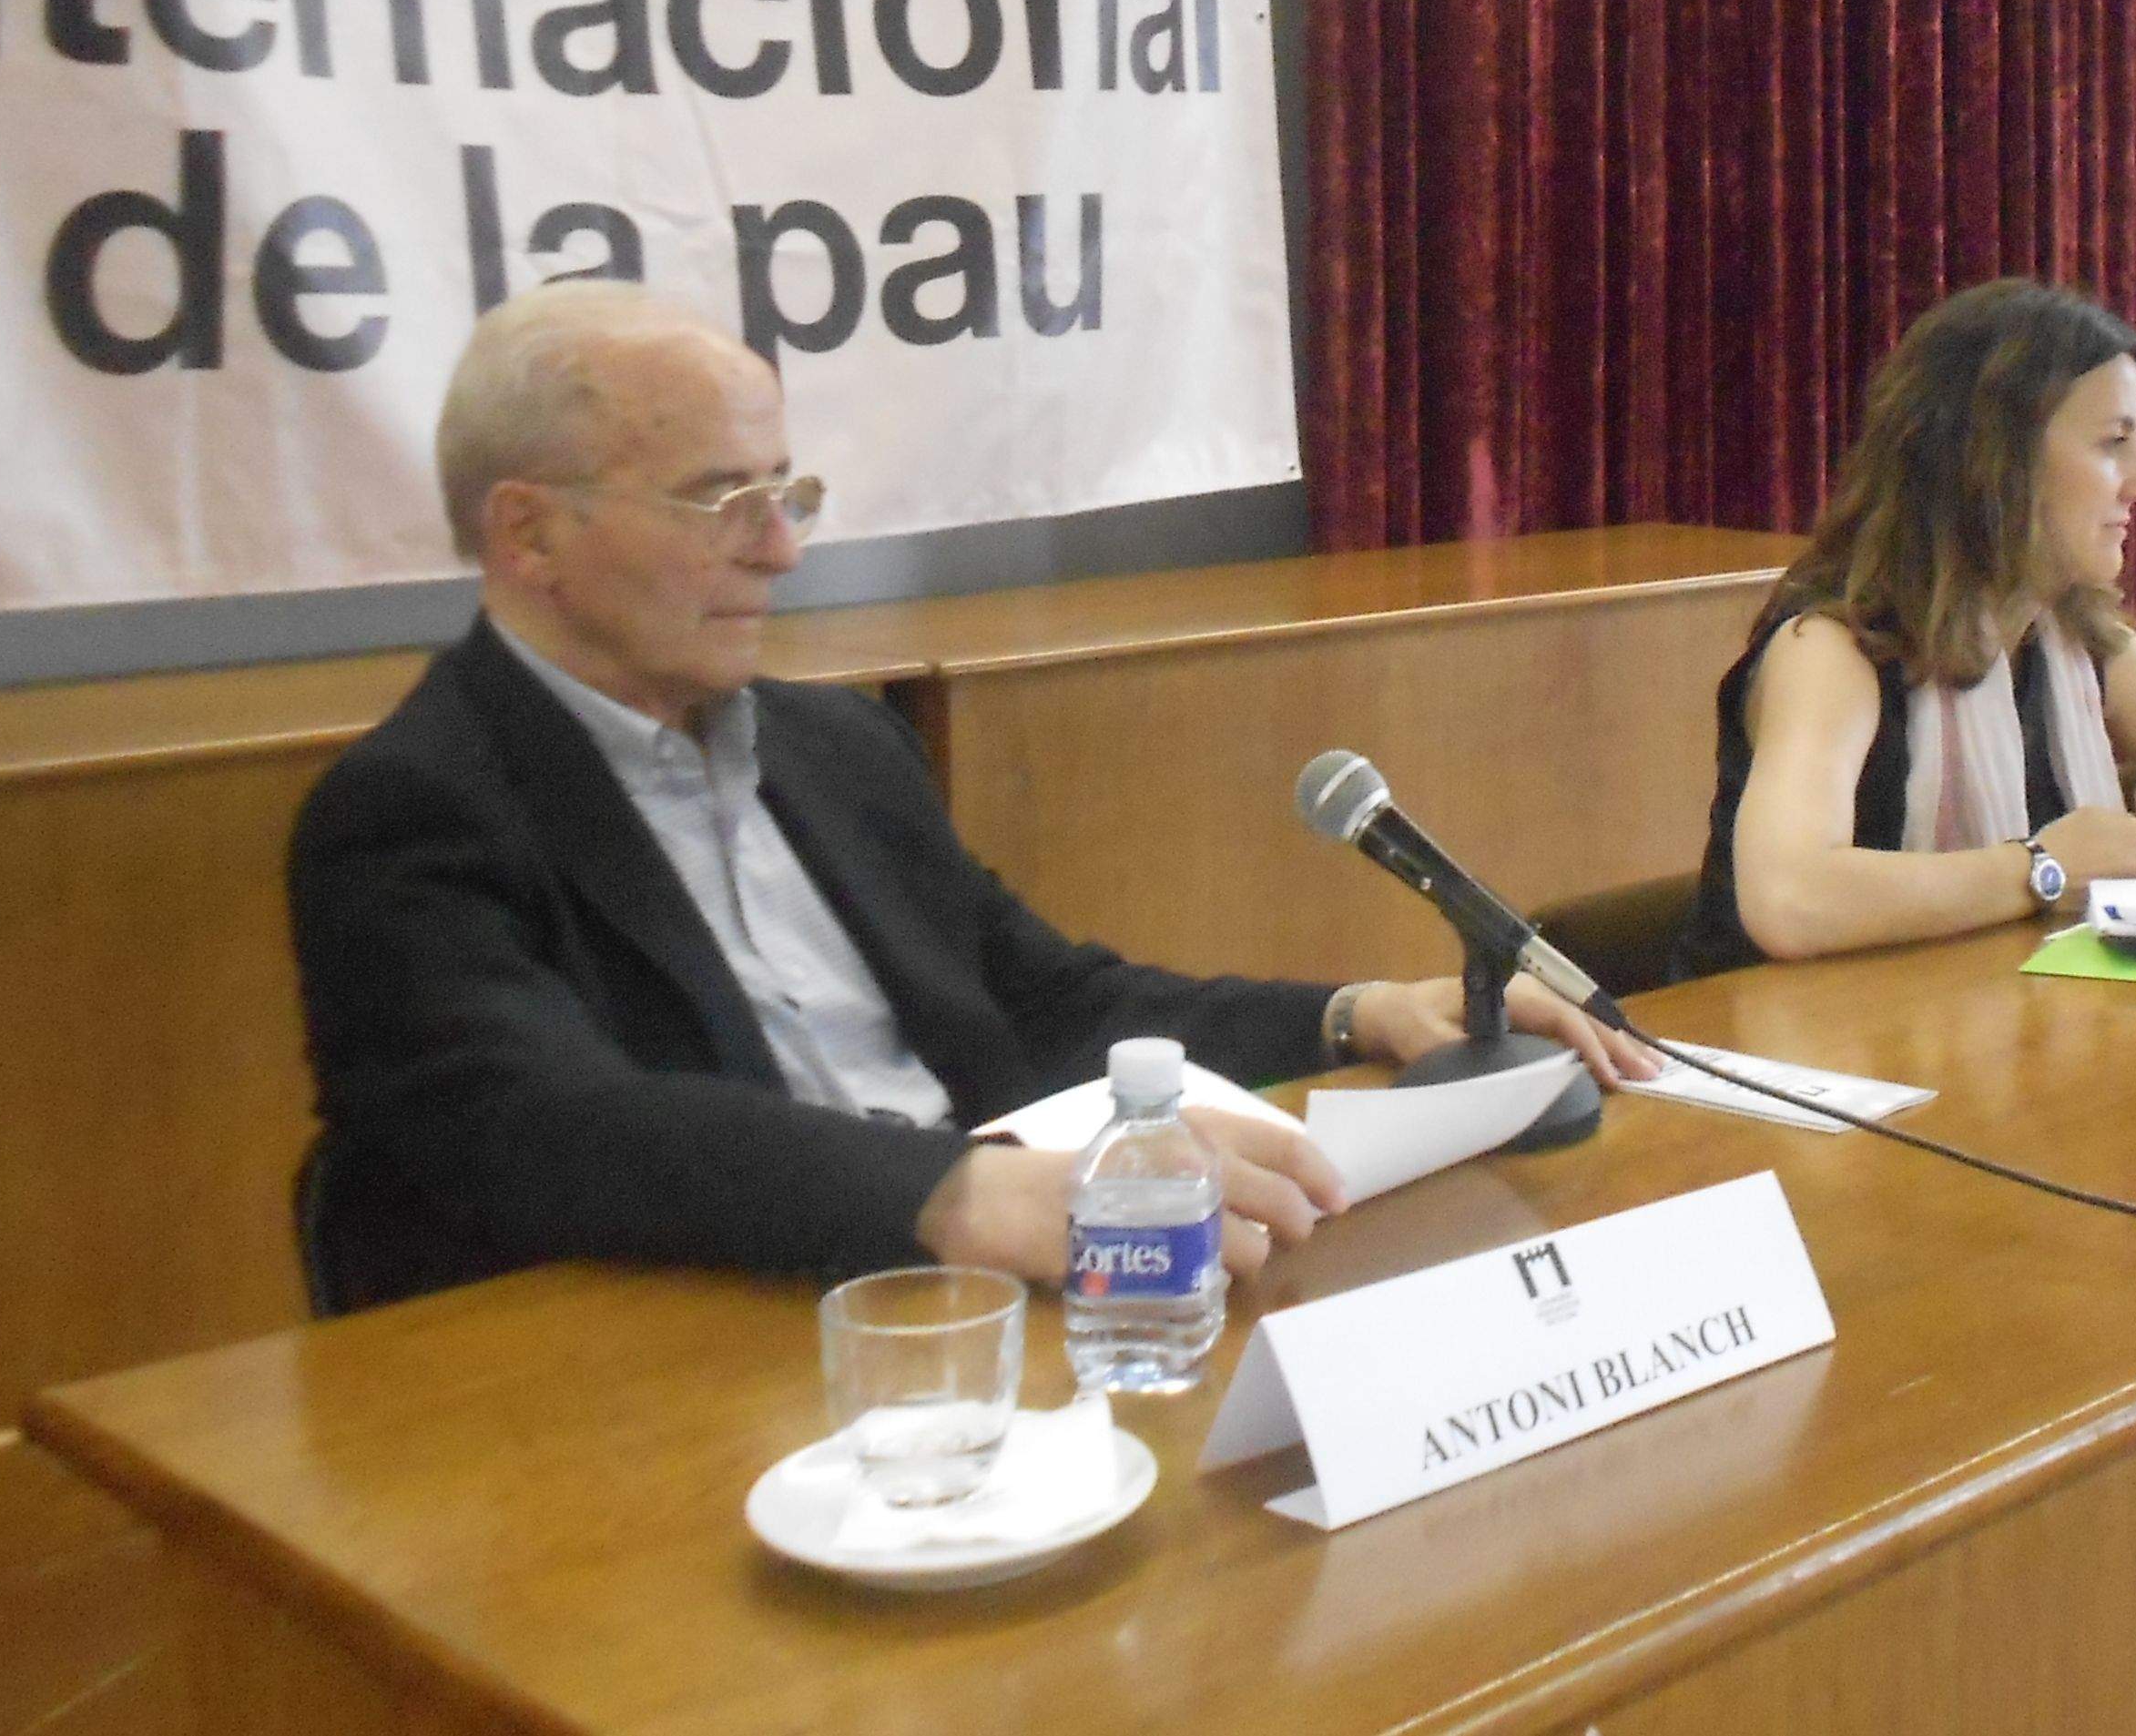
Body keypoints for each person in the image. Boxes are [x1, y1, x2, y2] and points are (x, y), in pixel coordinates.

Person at [290, 283, 1650, 1315]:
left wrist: (1356, 1013)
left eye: (787, 494)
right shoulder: (412, 809)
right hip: (701, 1333)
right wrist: (958, 1192)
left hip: (992, 1301)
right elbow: (549, 1131)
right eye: (722, 502)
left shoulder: (836, 748)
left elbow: (1047, 1001)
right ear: (528, 531)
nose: (781, 550)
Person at [1676, 279, 2136, 981]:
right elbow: (1788, 900)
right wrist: (2043, 868)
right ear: (1995, 460)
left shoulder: (2070, 637)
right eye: (2114, 443)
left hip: (1971, 1019)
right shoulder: (1831, 647)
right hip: (1776, 1038)